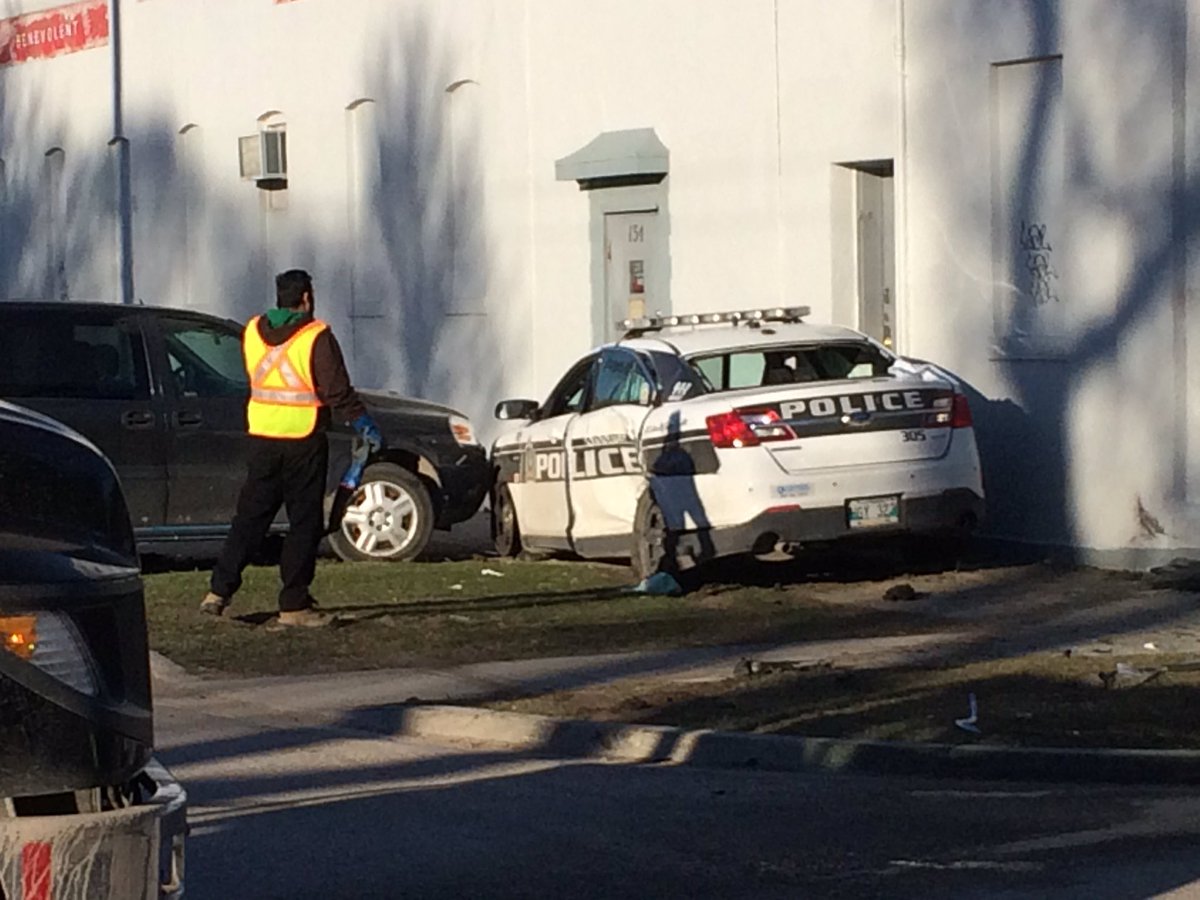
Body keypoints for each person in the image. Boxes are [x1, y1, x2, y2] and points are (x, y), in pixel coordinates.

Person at [199, 269, 382, 627]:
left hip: (263, 437)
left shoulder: (252, 330)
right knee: (304, 523)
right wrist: (363, 422)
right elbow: (335, 390)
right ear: (308, 298)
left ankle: (218, 592)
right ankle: (294, 604)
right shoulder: (316, 336)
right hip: (303, 439)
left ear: (279, 297)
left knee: (250, 519)